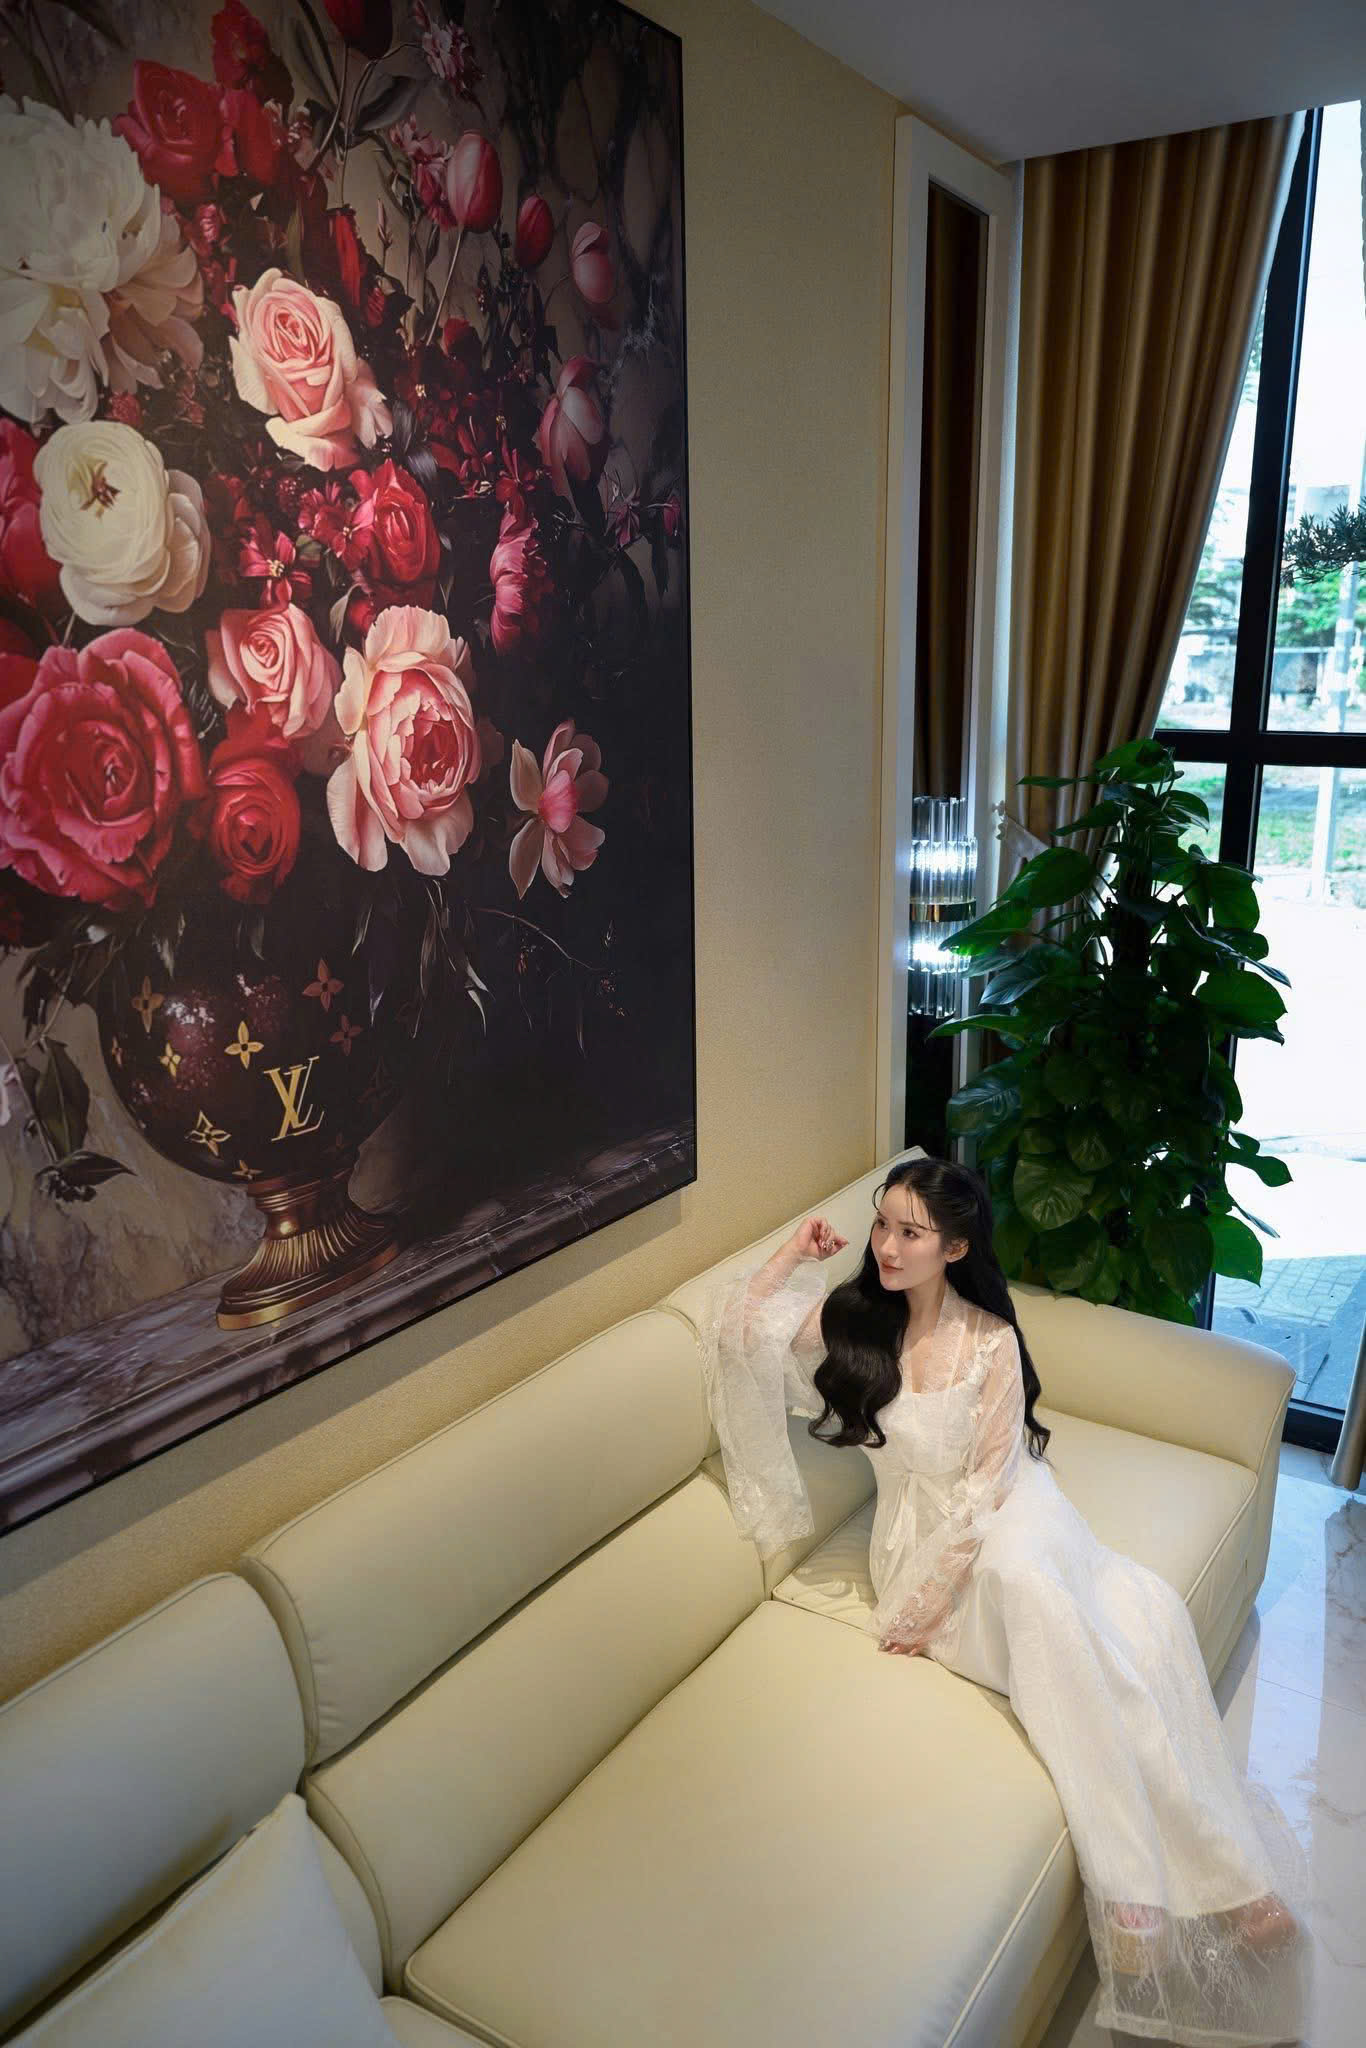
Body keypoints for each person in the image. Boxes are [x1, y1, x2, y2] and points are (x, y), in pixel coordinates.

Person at [695, 1155, 1312, 2047]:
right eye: (882, 1225)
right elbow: (739, 1328)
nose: (887, 1246)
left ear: (954, 1248)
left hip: (1016, 1513)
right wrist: (795, 1252)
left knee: (1045, 1592)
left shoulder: (990, 1340)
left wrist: (930, 1599)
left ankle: (1135, 1904)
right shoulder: (853, 1321)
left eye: (911, 1232)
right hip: (916, 1537)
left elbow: (993, 1483)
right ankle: (1230, 1883)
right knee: (1099, 1645)